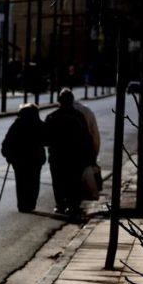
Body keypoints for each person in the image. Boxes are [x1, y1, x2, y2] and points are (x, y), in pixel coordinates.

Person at [44, 88, 94, 218]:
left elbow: (45, 138)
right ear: (72, 101)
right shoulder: (79, 116)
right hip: (75, 156)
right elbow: (86, 137)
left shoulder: (51, 117)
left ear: (59, 101)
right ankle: (73, 206)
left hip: (57, 156)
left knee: (58, 181)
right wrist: (90, 155)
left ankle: (60, 205)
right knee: (74, 181)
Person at [1, 103, 47, 212]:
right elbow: (47, 139)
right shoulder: (39, 124)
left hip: (19, 159)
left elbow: (7, 142)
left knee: (21, 182)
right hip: (35, 159)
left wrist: (8, 155)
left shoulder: (17, 124)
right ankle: (31, 203)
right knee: (34, 182)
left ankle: (22, 204)